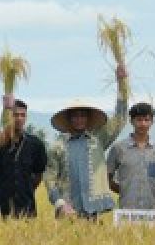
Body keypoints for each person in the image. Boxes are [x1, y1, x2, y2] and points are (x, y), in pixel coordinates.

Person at [46, 66, 128, 219]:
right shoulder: (57, 146)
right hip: (67, 210)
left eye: (83, 116)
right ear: (69, 119)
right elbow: (50, 178)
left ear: (88, 118)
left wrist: (121, 83)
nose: (79, 120)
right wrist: (60, 203)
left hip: (92, 209)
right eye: (75, 116)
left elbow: (120, 118)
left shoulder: (98, 140)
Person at [105, 102, 155, 215]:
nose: (143, 124)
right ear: (131, 121)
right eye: (139, 120)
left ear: (152, 122)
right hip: (126, 209)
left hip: (153, 210)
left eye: (147, 120)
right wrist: (122, 189)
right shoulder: (118, 148)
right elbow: (107, 177)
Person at [0, 98, 48, 218]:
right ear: (7, 117)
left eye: (23, 115)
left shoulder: (35, 144)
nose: (19, 118)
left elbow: (38, 175)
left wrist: (24, 189)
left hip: (26, 208)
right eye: (15, 115)